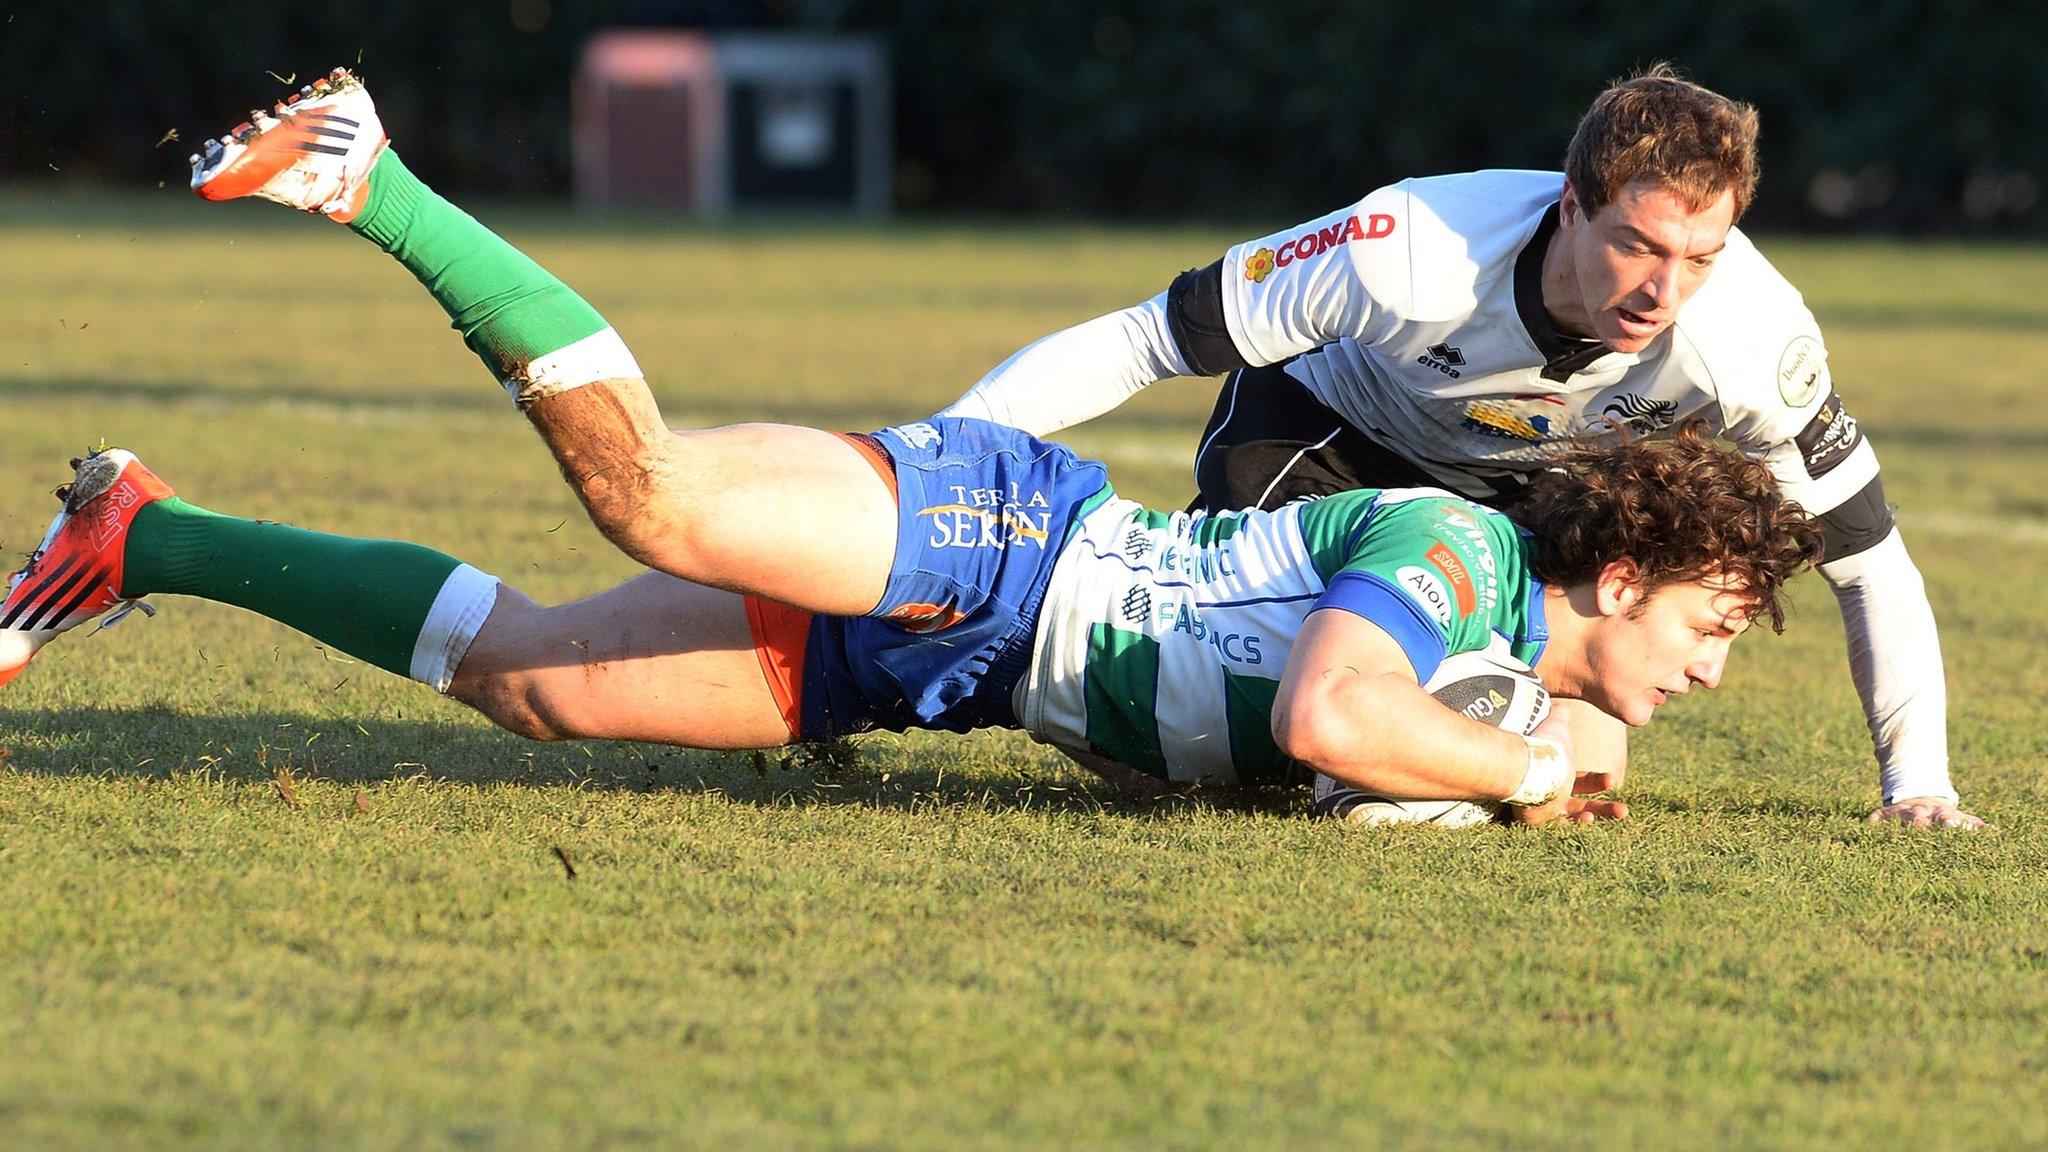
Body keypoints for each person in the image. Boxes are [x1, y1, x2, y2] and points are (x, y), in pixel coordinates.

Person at [0, 69, 1818, 826]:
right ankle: (372, 170)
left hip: (955, 675)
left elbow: (1540, 728)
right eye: (1715, 627)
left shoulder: (1507, 650)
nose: (1714, 668)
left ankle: (142, 532)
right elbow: (1330, 719)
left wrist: (1542, 765)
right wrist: (1502, 785)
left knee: (524, 685)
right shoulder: (1458, 555)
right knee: (649, 493)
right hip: (993, 546)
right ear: (1625, 570)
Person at [940, 64, 1979, 829]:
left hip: (1525, 480)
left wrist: (1917, 786)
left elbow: (1867, 561)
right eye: (1636, 245)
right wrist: (937, 456)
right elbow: (1141, 340)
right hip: (1326, 437)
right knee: (1231, 735)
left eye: (1698, 257)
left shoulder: (1753, 337)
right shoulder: (1407, 249)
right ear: (1569, 206)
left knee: (1588, 763)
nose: (1665, 291)